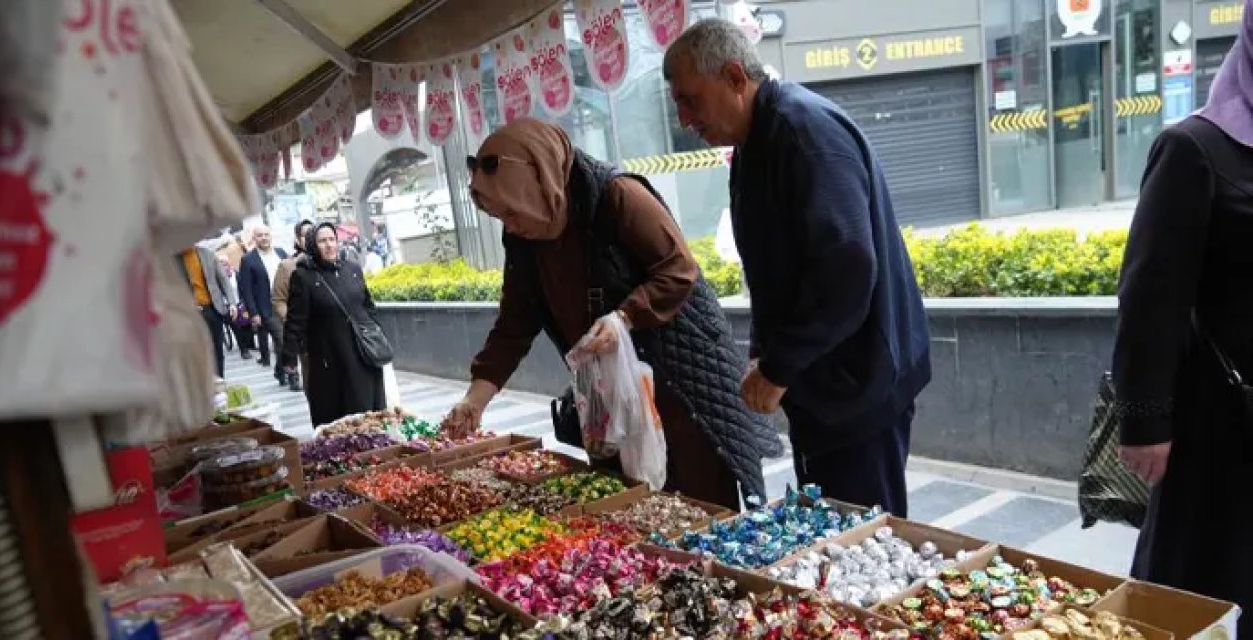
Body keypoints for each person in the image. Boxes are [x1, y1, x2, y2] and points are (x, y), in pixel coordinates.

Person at [439, 118, 782, 508]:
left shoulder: (617, 194)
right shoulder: (523, 235)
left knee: (697, 506)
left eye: (513, 212)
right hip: (611, 393)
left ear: (539, 184)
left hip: (681, 386)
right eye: (501, 217)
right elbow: (515, 322)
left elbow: (678, 269)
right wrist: (474, 401)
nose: (511, 226)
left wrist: (625, 316)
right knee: (627, 508)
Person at [662, 20, 930, 516]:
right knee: (829, 526)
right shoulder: (754, 140)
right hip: (824, 385)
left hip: (859, 386)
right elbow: (777, 269)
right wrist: (767, 357)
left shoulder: (802, 132)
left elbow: (846, 271)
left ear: (735, 77)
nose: (684, 119)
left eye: (690, 99)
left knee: (864, 538)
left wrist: (779, 367)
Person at [1113, 7, 1252, 633]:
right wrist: (1146, 423)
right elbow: (1150, 296)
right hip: (1220, 428)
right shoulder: (1194, 149)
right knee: (1201, 590)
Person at [281, 222, 386, 427]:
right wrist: (289, 356)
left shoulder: (352, 269)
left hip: (364, 352)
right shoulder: (303, 277)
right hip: (330, 357)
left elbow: (368, 305)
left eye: (332, 239)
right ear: (312, 245)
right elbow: (296, 321)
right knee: (342, 416)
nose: (329, 245)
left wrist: (376, 333)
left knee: (370, 411)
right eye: (322, 241)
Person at [177, 244, 238, 378]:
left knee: (217, 350)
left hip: (213, 308)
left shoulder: (207, 254)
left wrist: (232, 303)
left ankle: (219, 383)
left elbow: (223, 279)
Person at [238, 225, 288, 373]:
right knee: (282, 339)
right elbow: (246, 289)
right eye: (260, 235)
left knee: (285, 343)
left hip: (286, 303)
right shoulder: (248, 260)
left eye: (266, 234)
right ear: (254, 239)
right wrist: (253, 313)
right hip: (267, 308)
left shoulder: (281, 253)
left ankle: (280, 370)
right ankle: (293, 377)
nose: (264, 238)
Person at [273, 219, 315, 392]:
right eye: (306, 235)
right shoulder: (288, 266)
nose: (311, 238)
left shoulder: (334, 262)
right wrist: (293, 322)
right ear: (298, 239)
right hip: (307, 335)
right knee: (314, 383)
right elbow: (278, 299)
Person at [217, 253, 255, 359]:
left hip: (240, 303)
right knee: (236, 326)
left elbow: (245, 289)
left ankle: (250, 344)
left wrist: (244, 302)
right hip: (226, 306)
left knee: (248, 322)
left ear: (230, 265)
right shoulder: (215, 279)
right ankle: (244, 350)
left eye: (224, 264)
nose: (222, 267)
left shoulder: (237, 275)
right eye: (219, 265)